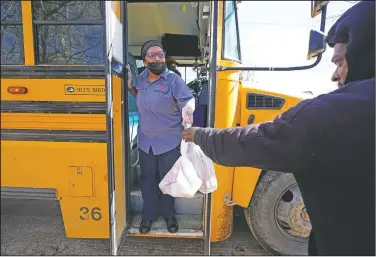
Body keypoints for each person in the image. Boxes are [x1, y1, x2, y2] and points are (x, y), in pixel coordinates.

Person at [182, 1, 375, 256]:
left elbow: (250, 142)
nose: (334, 75)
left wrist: (199, 134)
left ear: (363, 52)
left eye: (339, 63)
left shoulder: (329, 114)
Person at [126, 40, 195, 234]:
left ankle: (169, 215)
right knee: (148, 180)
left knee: (168, 180)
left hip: (169, 142)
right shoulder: (141, 78)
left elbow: (187, 103)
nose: (158, 58)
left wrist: (188, 124)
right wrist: (130, 85)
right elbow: (138, 93)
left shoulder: (173, 80)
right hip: (146, 142)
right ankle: (148, 216)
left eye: (160, 54)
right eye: (152, 55)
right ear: (145, 61)